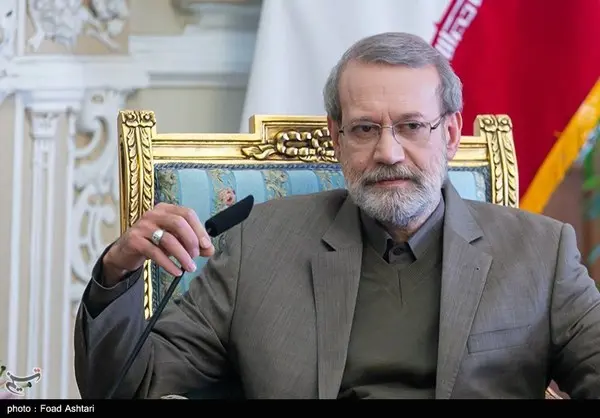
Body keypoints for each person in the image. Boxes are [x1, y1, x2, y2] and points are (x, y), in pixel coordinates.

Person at [74, 31, 600, 399]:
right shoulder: (260, 244)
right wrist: (115, 274)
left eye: (411, 126)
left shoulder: (541, 251)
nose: (388, 152)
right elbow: (131, 386)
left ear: (451, 133)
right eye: (365, 129)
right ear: (337, 138)